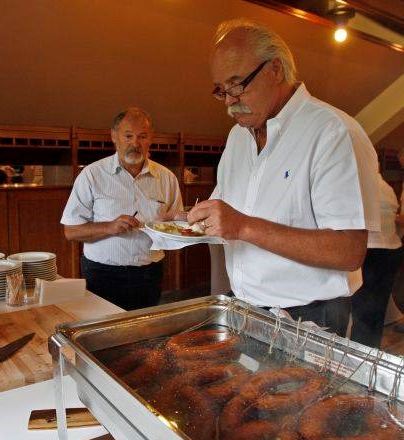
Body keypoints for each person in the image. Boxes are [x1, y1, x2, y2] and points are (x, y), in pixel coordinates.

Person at [184, 19, 379, 336]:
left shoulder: (331, 131)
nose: (230, 100)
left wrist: (243, 226)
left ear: (275, 70)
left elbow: (348, 251)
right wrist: (182, 219)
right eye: (221, 90)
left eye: (237, 83)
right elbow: (225, 215)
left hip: (311, 318)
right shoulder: (237, 138)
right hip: (245, 307)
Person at [61, 107, 184, 310]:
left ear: (150, 139)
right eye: (128, 136)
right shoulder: (92, 175)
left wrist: (178, 222)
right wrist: (109, 227)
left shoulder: (167, 178)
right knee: (102, 335)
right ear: (114, 137)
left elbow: (176, 229)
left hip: (149, 273)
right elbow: (71, 231)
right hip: (102, 274)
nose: (135, 144)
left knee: (143, 333)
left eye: (142, 137)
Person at [350, 175, 404, 348]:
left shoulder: (360, 185)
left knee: (363, 310)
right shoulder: (386, 187)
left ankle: (358, 356)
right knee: (377, 309)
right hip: (392, 249)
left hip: (371, 250)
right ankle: (370, 352)